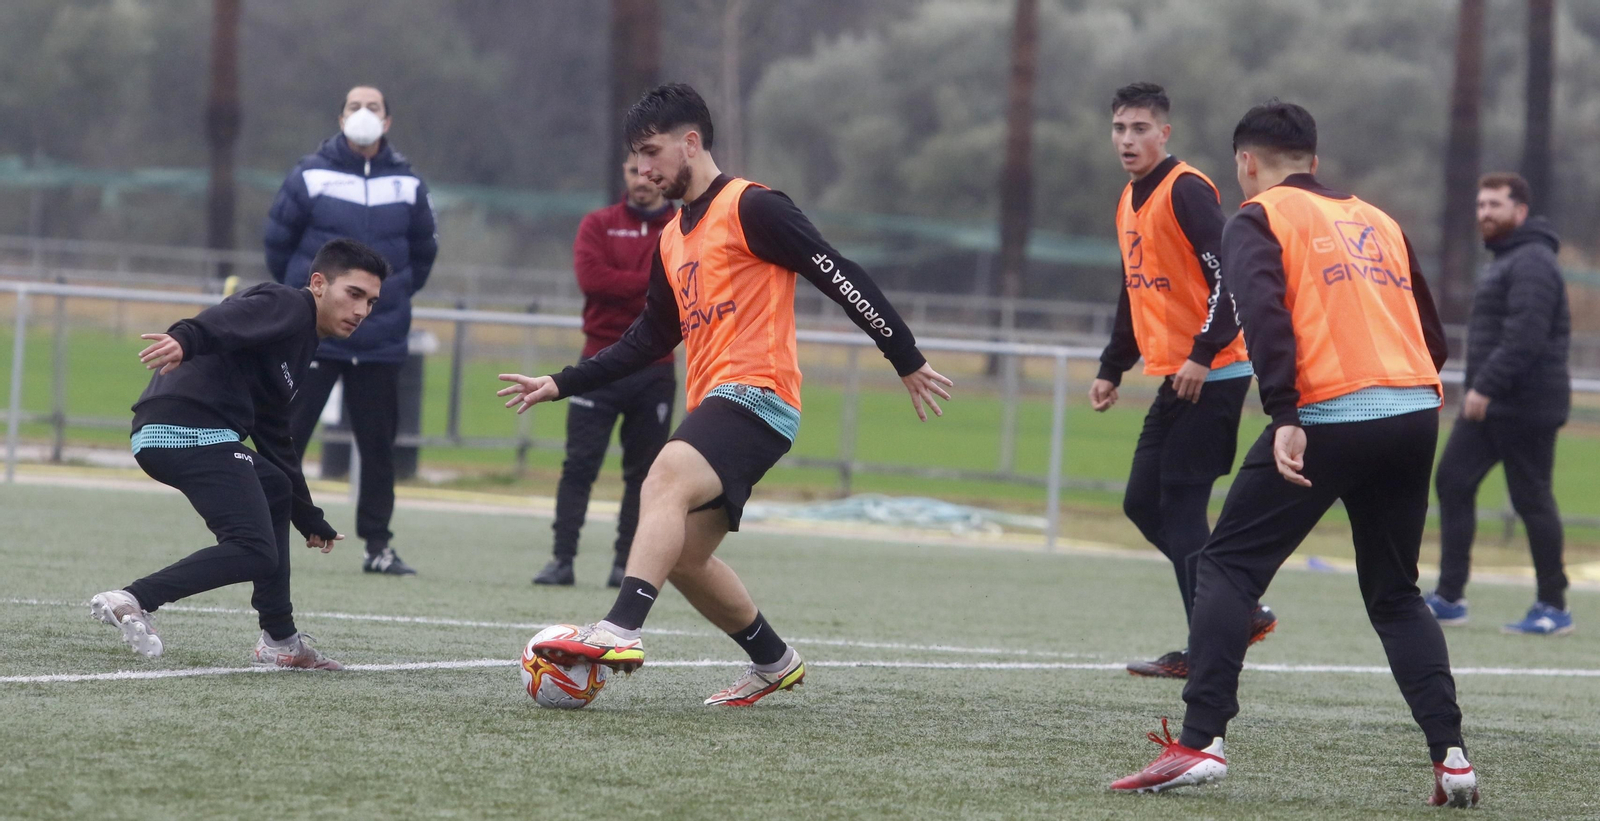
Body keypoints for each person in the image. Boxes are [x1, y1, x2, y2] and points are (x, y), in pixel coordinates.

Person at [498, 83, 952, 706]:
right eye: (636, 156)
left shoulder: (753, 207)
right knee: (684, 558)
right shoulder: (671, 238)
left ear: (691, 142)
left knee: (663, 477)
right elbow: (647, 338)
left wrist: (905, 356)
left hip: (760, 394)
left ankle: (620, 629)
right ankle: (774, 661)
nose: (643, 169)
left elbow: (838, 273)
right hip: (717, 403)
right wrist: (562, 382)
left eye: (652, 152)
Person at [1111, 101, 1477, 808]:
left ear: (1246, 162)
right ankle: (1452, 757)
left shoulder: (1258, 216)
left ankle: (1201, 742)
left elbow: (1264, 317)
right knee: (1396, 593)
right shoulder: (1379, 219)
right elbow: (1432, 335)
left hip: (1328, 414)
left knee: (1225, 565)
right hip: (1414, 413)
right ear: (1314, 158)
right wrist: (1395, 394)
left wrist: (1284, 412)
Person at [90, 239, 388, 670]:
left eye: (371, 302)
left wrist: (308, 516)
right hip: (187, 427)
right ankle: (133, 598)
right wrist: (186, 338)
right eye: (354, 294)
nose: (361, 310)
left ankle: (281, 640)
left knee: (276, 488)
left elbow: (274, 433)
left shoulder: (302, 342)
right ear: (319, 284)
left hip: (183, 431)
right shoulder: (290, 305)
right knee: (254, 550)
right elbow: (226, 319)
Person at [1090, 82, 1276, 678]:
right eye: (1119, 128)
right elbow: (1135, 288)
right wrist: (1112, 366)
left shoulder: (1187, 189)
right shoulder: (1129, 199)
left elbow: (1232, 276)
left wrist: (1203, 350)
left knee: (1182, 505)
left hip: (1215, 371)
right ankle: (1236, 611)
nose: (1127, 139)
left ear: (1164, 133)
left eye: (1140, 128)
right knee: (1143, 502)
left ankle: (1209, 646)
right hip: (1179, 374)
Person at [264, 84, 438, 577]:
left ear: (387, 121)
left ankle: (378, 546)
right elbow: (278, 245)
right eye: (354, 106)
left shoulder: (407, 184)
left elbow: (423, 253)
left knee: (378, 448)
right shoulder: (309, 174)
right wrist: (309, 306)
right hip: (314, 338)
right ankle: (265, 533)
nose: (363, 113)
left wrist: (384, 301)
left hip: (381, 342)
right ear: (341, 118)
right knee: (285, 437)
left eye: (373, 107)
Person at [1426, 173, 1573, 636]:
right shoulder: (1507, 259)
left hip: (1525, 404)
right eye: (1481, 205)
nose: (1484, 213)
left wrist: (1484, 386)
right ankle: (1450, 597)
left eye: (1494, 205)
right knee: (1453, 481)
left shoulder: (1533, 262)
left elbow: (1526, 336)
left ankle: (1553, 605)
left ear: (1520, 211)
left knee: (1532, 498)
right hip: (1493, 405)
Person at [533, 155, 678, 589]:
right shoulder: (598, 223)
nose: (642, 180)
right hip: (597, 364)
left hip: (655, 369)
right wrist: (651, 284)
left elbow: (681, 287)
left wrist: (642, 287)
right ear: (624, 173)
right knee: (578, 465)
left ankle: (625, 565)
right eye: (634, 171)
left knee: (645, 475)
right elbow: (593, 281)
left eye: (650, 173)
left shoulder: (680, 228)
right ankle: (562, 560)